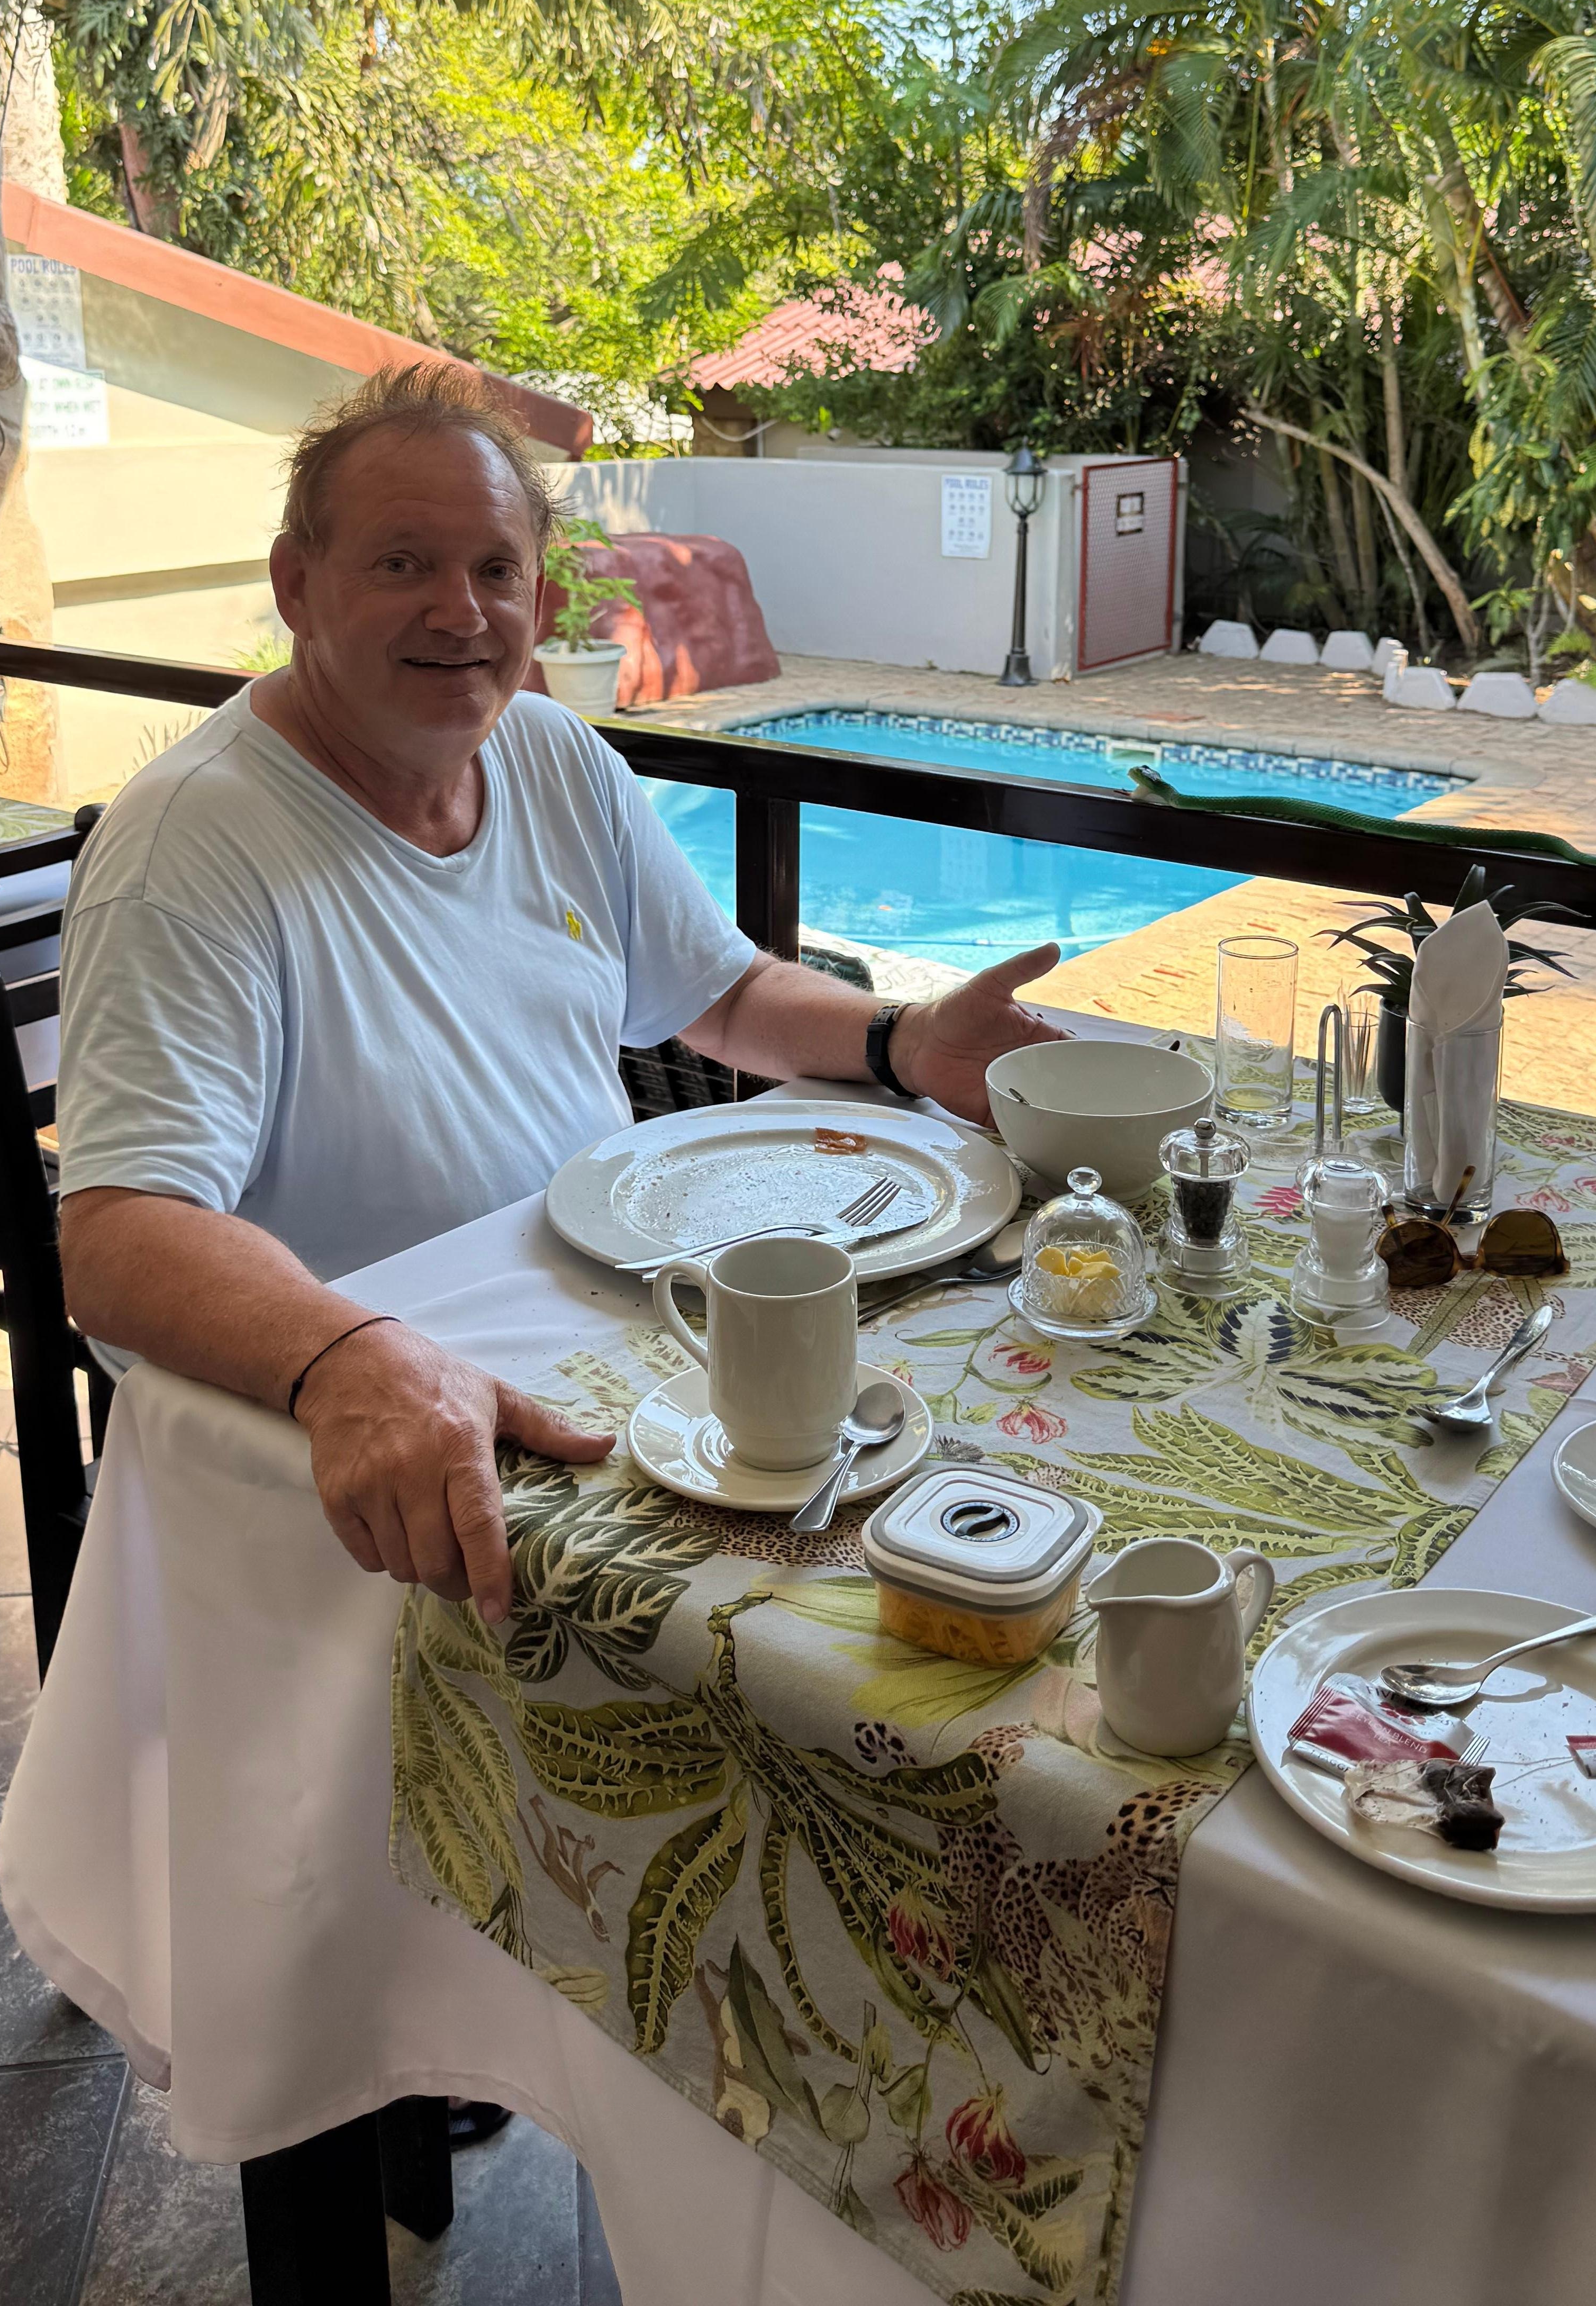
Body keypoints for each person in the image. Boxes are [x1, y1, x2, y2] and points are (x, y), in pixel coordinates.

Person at [57, 363, 1062, 1625]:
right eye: (401, 564)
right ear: (295, 587)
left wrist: (905, 1040)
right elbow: (116, 1238)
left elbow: (728, 995)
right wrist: (345, 1357)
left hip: (632, 1355)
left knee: (942, 1560)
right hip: (372, 1460)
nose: (460, 611)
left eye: (493, 569)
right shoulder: (191, 848)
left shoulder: (549, 754)